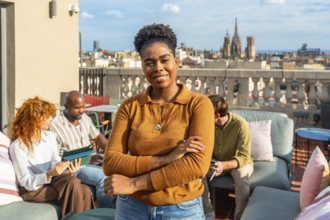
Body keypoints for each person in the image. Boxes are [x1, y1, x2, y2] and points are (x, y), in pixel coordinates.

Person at [102, 23, 215, 220]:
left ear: (176, 62)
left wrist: (133, 184)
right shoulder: (130, 107)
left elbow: (196, 166)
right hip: (132, 208)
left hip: (181, 210)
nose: (158, 68)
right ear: (143, 67)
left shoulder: (198, 104)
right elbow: (111, 163)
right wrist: (167, 159)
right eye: (149, 62)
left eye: (164, 60)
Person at [8, 97, 95, 218]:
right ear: (36, 119)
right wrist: (48, 174)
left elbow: (55, 163)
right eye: (47, 116)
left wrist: (66, 170)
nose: (51, 119)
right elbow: (26, 182)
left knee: (80, 187)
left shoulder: (50, 137)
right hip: (33, 190)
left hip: (53, 181)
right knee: (79, 188)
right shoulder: (18, 146)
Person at [50, 90, 116, 208]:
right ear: (66, 107)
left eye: (83, 107)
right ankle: (104, 213)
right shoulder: (55, 126)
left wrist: (112, 152)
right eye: (77, 108)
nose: (81, 110)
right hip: (74, 168)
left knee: (116, 169)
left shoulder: (84, 118)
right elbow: (54, 157)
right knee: (104, 177)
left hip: (91, 160)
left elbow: (98, 137)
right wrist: (84, 158)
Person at [206, 95, 254, 220]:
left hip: (238, 163)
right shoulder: (206, 125)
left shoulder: (240, 125)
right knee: (197, 173)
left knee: (241, 176)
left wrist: (224, 165)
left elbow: (244, 157)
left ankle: (239, 217)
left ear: (216, 116)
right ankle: (207, 213)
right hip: (215, 163)